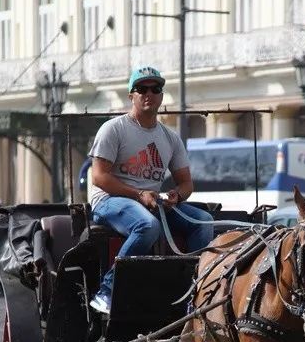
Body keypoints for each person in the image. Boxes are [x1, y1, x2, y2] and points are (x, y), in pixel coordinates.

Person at [86, 65, 214, 314]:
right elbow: (99, 178)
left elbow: (186, 183)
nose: (149, 93)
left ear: (162, 96)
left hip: (151, 203)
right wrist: (138, 194)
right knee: (147, 225)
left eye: (155, 89)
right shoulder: (114, 129)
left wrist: (177, 196)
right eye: (141, 89)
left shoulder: (170, 137)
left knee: (204, 222)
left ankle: (193, 292)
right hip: (110, 201)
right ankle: (107, 291)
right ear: (131, 95)